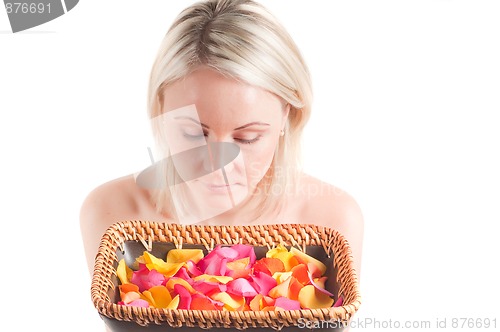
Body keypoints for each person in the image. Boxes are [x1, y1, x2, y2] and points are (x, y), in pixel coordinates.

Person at [81, 0, 363, 295]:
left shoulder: (333, 221)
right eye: (193, 134)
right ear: (160, 110)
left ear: (287, 116)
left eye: (247, 138)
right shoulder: (111, 213)